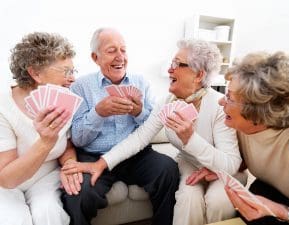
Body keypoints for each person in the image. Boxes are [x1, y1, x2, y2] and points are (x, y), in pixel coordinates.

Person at [62, 39, 243, 225]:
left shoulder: (220, 107)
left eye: (176, 64)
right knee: (188, 197)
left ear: (198, 75)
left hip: (221, 168)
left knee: (217, 201)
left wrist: (190, 138)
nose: (169, 70)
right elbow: (141, 137)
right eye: (171, 63)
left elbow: (230, 164)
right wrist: (100, 164)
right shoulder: (168, 101)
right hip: (190, 164)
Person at [60, 27, 179, 225]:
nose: (120, 57)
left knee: (168, 169)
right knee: (78, 194)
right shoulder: (79, 87)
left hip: (135, 155)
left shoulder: (141, 82)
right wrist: (98, 113)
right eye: (111, 50)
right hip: (94, 156)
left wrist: (138, 112)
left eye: (123, 50)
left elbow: (152, 127)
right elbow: (78, 139)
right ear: (95, 57)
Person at [0, 32, 82, 225]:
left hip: (45, 178)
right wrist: (46, 142)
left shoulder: (64, 98)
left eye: (73, 71)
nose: (72, 79)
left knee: (49, 214)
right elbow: (6, 178)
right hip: (8, 184)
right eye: (65, 71)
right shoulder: (3, 106)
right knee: (14, 220)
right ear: (35, 73)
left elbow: (67, 146)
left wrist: (70, 164)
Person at [216, 51, 289, 224]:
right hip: (270, 193)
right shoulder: (242, 127)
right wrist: (216, 166)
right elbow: (246, 158)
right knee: (254, 195)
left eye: (229, 97)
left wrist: (282, 212)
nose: (221, 102)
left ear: (257, 112)